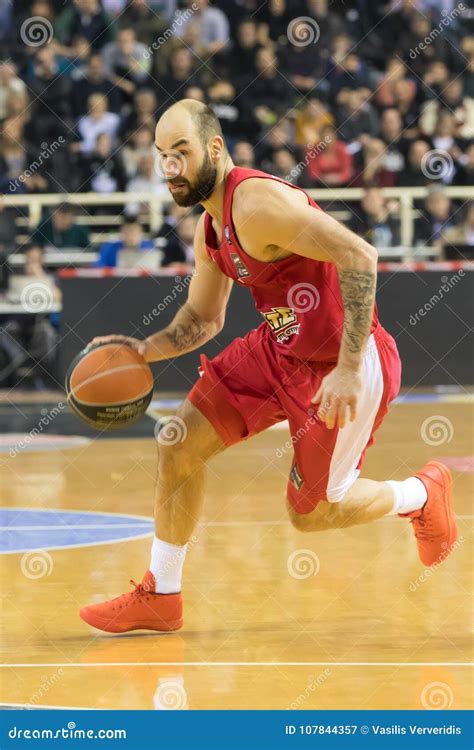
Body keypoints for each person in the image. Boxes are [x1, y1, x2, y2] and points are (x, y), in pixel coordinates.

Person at [80, 100, 457, 634]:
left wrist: (349, 367)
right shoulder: (210, 229)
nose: (170, 168)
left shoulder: (256, 204)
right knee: (178, 442)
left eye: (181, 153)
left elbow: (360, 256)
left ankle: (421, 493)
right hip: (277, 349)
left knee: (312, 514)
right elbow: (203, 320)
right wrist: (143, 350)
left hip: (342, 361)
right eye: (162, 155)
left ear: (214, 148)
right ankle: (160, 593)